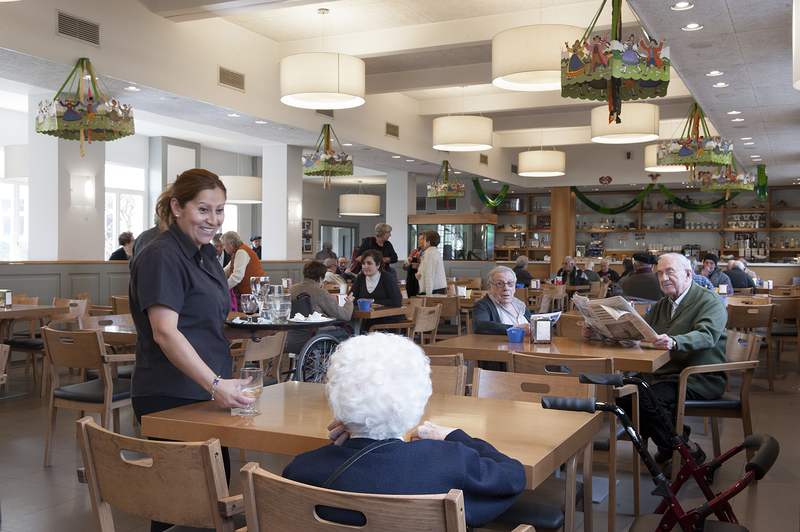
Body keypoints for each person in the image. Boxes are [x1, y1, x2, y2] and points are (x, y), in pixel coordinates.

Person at [128, 169, 261, 532]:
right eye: (204, 209)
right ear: (177, 206)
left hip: (207, 389)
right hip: (171, 392)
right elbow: (165, 333)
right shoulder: (162, 255)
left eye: (220, 211)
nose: (213, 220)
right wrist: (216, 384)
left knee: (211, 497)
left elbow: (204, 322)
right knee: (181, 504)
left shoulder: (205, 254)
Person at [283, 333, 527, 528]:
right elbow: (513, 476)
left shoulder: (300, 470)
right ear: (420, 396)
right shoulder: (449, 463)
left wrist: (353, 425)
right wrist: (454, 435)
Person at [585, 253, 727, 476]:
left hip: (695, 377)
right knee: (622, 396)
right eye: (660, 273)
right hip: (663, 374)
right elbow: (638, 332)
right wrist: (599, 332)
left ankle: (688, 452)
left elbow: (707, 335)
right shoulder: (664, 304)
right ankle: (672, 444)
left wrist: (675, 341)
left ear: (688, 274)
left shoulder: (709, 300)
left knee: (646, 398)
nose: (664, 278)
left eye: (670, 272)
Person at [285, 260, 354, 354]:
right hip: (314, 338)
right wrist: (349, 302)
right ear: (321, 278)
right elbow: (345, 316)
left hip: (290, 338)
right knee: (349, 329)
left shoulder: (291, 289)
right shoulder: (321, 293)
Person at [349, 249, 403, 330]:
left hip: (391, 321)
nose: (365, 266)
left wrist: (372, 301)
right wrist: (365, 302)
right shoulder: (360, 278)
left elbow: (397, 301)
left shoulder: (386, 277)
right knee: (359, 336)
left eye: (369, 263)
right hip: (371, 320)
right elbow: (350, 298)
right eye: (363, 263)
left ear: (378, 265)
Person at [473, 266, 532, 335]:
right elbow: (480, 325)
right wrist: (516, 329)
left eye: (510, 283)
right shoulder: (482, 305)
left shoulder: (520, 305)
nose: (506, 288)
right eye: (500, 284)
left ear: (514, 287)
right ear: (489, 287)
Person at [222, 231, 265, 309]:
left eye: (224, 244)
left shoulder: (241, 251)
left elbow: (237, 277)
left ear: (231, 243)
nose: (224, 248)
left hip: (252, 294)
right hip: (251, 293)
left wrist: (222, 287)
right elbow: (227, 269)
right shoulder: (239, 251)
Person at [416, 230, 447, 295]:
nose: (423, 241)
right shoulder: (433, 252)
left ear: (428, 243)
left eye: (424, 239)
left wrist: (428, 295)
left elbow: (429, 275)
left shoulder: (430, 254)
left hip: (433, 289)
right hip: (436, 288)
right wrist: (419, 274)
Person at [403, 232, 424, 297]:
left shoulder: (428, 253)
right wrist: (409, 260)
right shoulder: (415, 252)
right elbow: (404, 267)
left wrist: (419, 266)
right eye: (418, 239)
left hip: (421, 280)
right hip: (411, 279)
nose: (418, 241)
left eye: (421, 239)